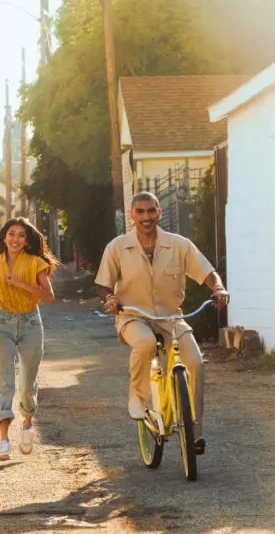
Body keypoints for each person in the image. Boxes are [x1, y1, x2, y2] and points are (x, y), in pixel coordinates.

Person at [94, 191, 229, 455]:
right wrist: (110, 298)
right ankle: (139, 396)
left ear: (159, 213)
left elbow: (207, 272)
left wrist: (219, 288)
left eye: (151, 211)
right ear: (132, 215)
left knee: (195, 363)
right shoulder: (117, 247)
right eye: (140, 212)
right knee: (144, 343)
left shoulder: (179, 244)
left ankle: (195, 432)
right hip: (132, 315)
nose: (146, 217)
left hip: (170, 317)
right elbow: (102, 284)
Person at [0, 217, 58, 461]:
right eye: (12, 234)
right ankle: (4, 440)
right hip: (1, 323)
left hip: (31, 322)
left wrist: (21, 284)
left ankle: (28, 422)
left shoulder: (36, 263)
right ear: (4, 237)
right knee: (4, 382)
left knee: (27, 383)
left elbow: (49, 297)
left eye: (21, 235)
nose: (16, 239)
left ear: (27, 239)